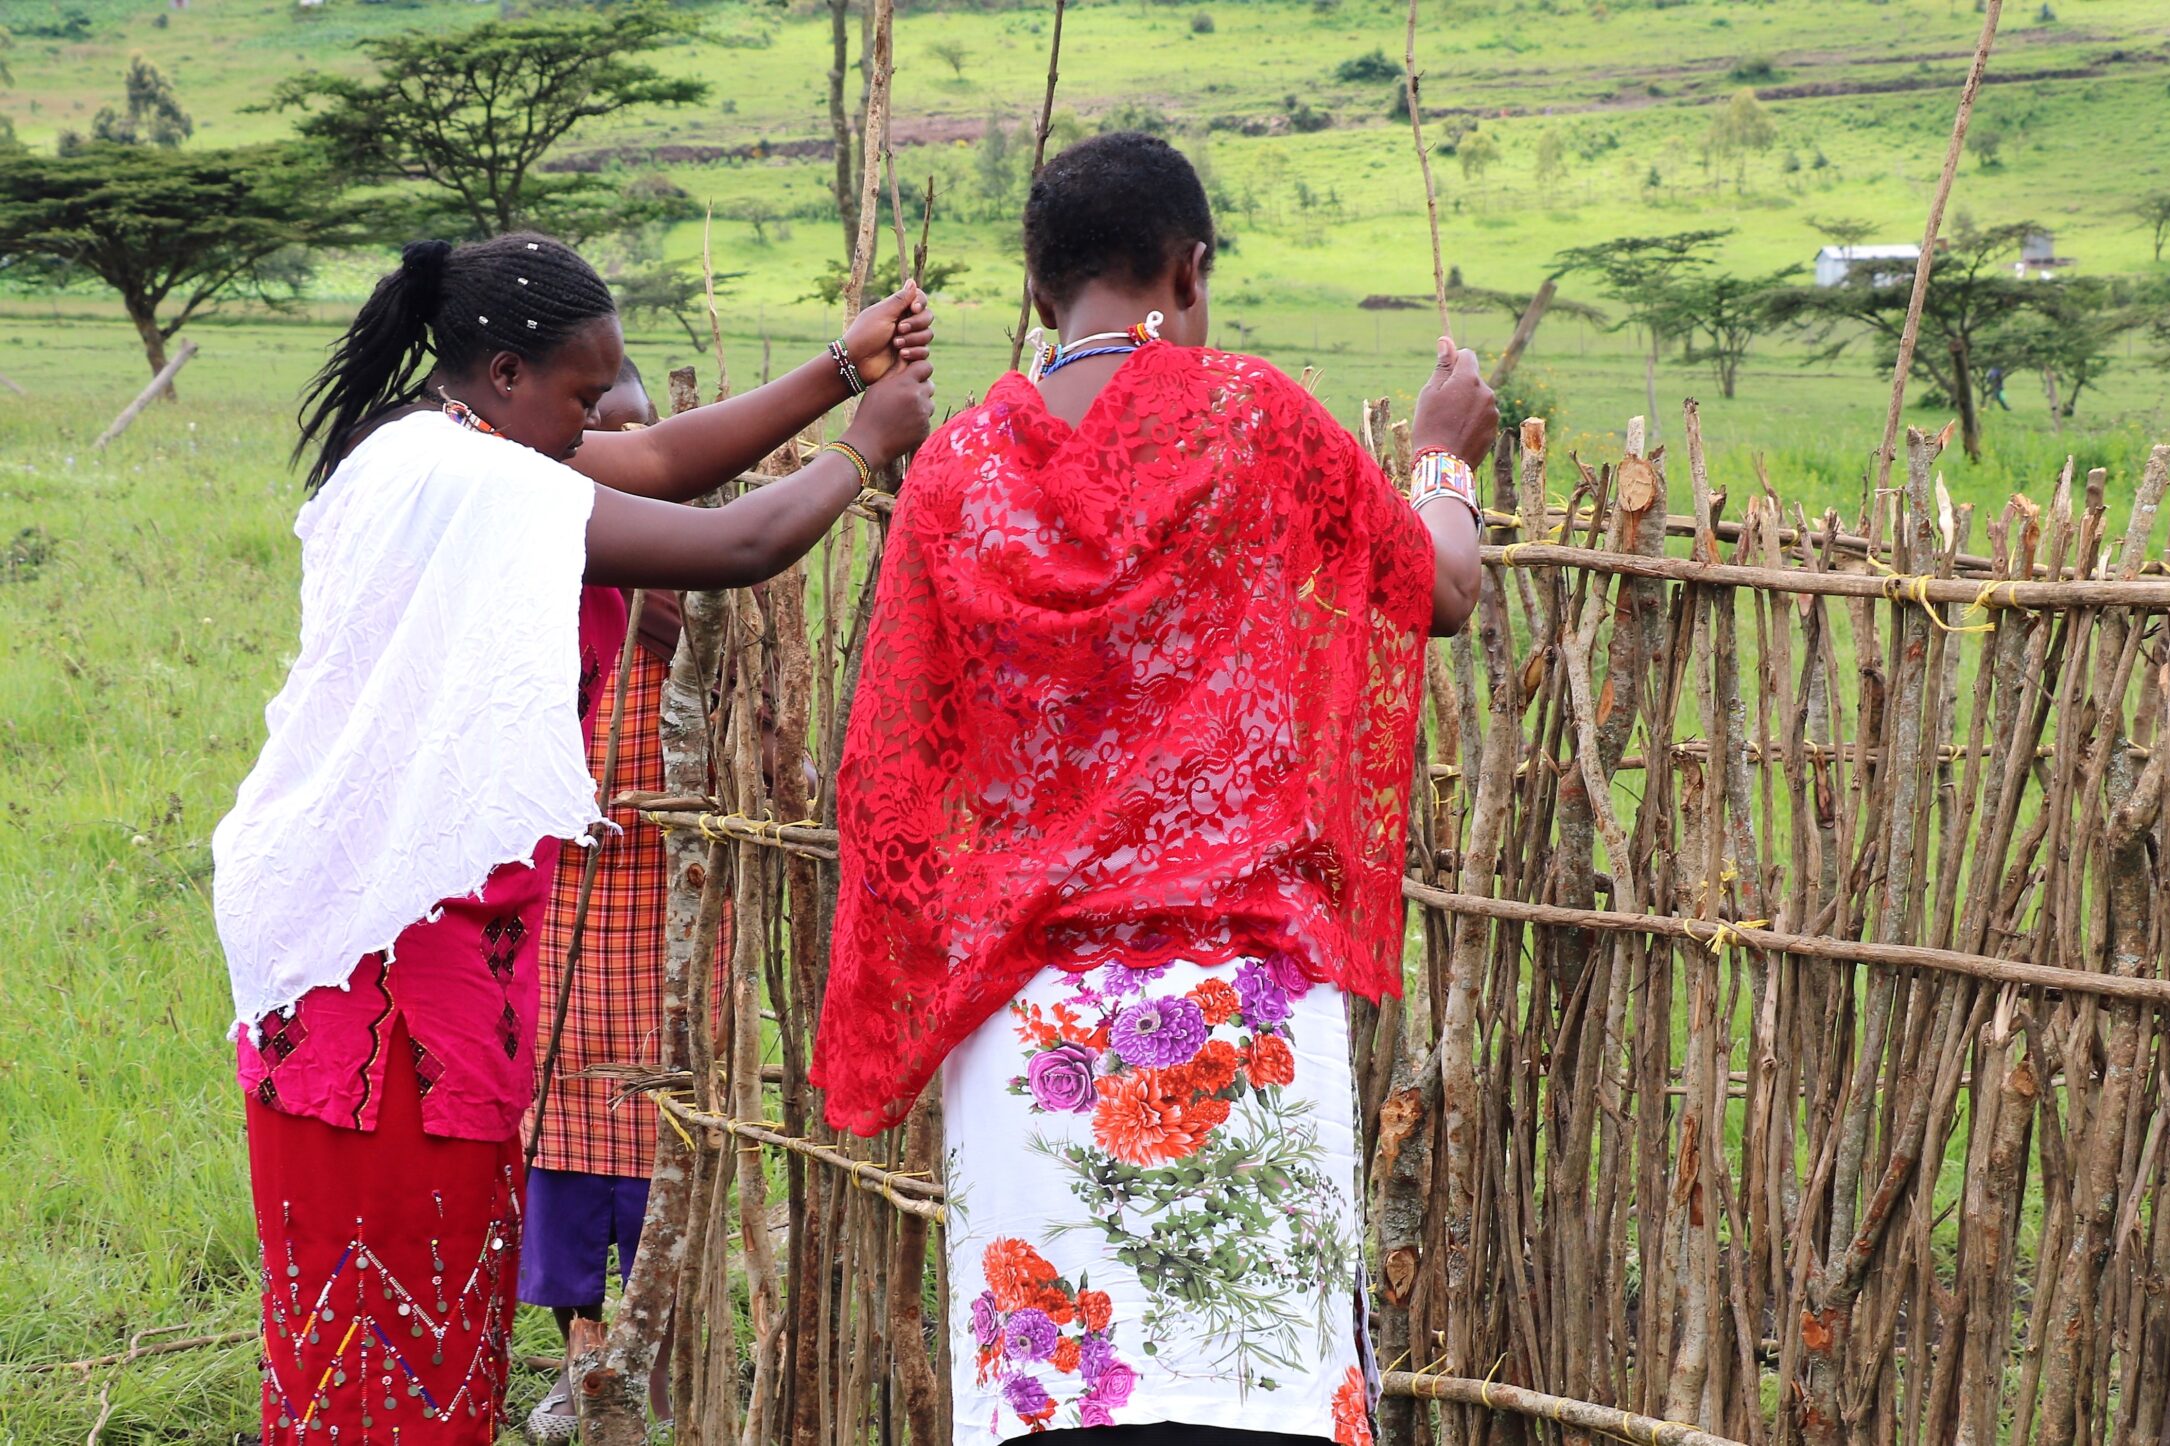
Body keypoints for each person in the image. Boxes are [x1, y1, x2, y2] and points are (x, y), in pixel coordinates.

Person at [809, 131, 1496, 1446]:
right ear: (1189, 270)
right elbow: (1444, 588)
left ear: (1035, 284)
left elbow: (895, 767)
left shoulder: (954, 471)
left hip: (1026, 1036)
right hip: (1240, 1021)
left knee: (1058, 1408)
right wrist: (1442, 455)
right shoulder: (1254, 418)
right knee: (1257, 1405)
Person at [214, 232, 934, 1445]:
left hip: (403, 934)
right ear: (502, 375)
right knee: (386, 1308)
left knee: (414, 1309)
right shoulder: (479, 484)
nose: (595, 415)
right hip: (385, 964)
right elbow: (735, 545)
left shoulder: (436, 443)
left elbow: (654, 458)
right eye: (577, 393)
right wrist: (865, 446)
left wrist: (837, 364)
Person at [514, 359, 685, 1443]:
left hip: (672, 937)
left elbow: (771, 759)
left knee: (659, 1149)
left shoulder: (706, 607)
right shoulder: (538, 592)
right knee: (566, 1153)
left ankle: (650, 1344)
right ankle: (582, 1356)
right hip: (562, 936)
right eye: (598, 438)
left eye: (641, 443)